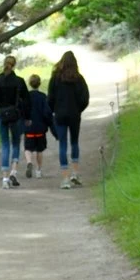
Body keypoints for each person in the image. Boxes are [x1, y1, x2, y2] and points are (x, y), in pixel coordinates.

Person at [49, 52, 91, 187]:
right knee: (74, 142)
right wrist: (78, 109)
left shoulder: (55, 78)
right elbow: (85, 98)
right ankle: (75, 172)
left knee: (62, 144)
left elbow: (50, 98)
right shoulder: (79, 79)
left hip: (60, 115)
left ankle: (65, 178)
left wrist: (54, 109)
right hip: (74, 115)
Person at [0, 54, 29, 186]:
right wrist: (28, 117)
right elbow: (26, 100)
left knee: (5, 144)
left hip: (1, 115)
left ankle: (4, 178)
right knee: (15, 143)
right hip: (15, 116)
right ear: (14, 65)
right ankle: (13, 171)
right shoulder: (19, 81)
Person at [20, 75, 53, 179]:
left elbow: (22, 111)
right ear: (39, 83)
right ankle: (38, 170)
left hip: (29, 128)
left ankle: (29, 162)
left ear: (29, 83)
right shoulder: (43, 96)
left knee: (28, 148)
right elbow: (47, 112)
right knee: (39, 149)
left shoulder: (26, 96)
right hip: (40, 128)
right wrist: (49, 123)